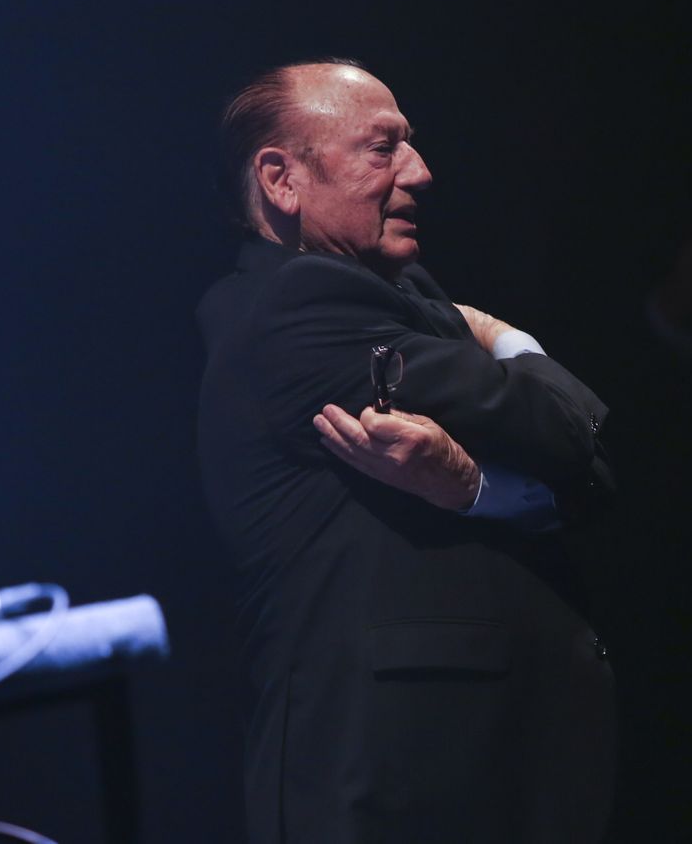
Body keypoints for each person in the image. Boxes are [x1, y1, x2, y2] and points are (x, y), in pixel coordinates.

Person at [197, 59, 616, 843]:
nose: (420, 173)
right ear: (282, 180)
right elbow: (567, 429)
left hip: (471, 777)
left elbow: (590, 478)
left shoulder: (400, 294)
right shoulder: (295, 306)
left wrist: (473, 485)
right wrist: (509, 339)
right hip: (391, 791)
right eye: (383, 148)